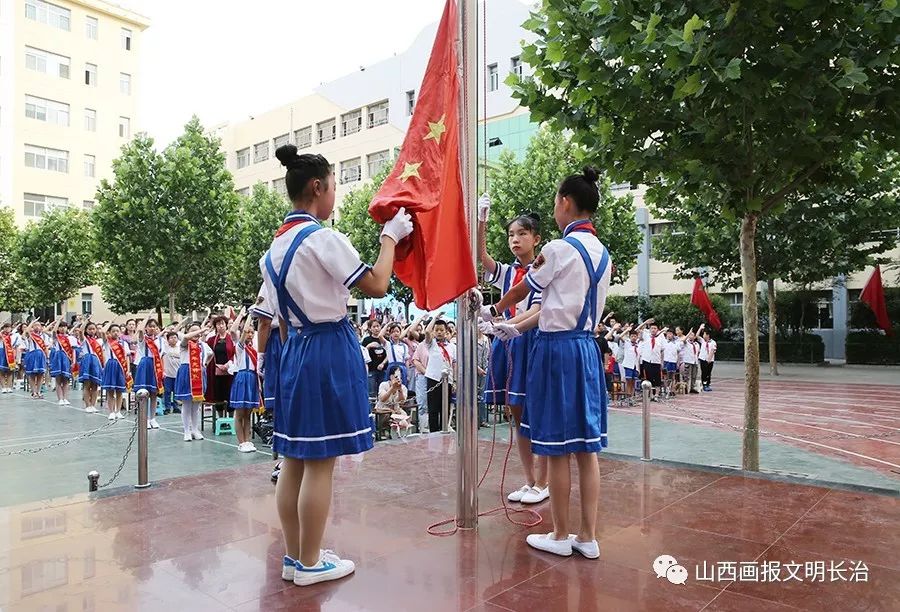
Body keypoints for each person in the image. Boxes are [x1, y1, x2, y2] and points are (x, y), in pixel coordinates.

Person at [263, 145, 411, 586]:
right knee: (321, 460)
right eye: (333, 186)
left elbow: (277, 321)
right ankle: (310, 562)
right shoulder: (324, 239)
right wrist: (391, 237)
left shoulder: (271, 250)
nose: (335, 196)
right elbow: (378, 283)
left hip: (296, 350)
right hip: (327, 347)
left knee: (293, 459)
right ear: (317, 187)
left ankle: (295, 557)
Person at [483, 166, 611, 560]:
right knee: (586, 450)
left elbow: (525, 286)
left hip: (556, 350)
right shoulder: (603, 252)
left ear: (565, 203)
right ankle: (587, 537)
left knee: (556, 447)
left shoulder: (556, 249)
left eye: (557, 200)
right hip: (587, 349)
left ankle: (558, 534)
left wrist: (496, 308)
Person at [477, 197, 549, 505]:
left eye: (521, 233)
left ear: (536, 238)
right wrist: (482, 220)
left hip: (531, 340)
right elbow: (482, 257)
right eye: (510, 235)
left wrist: (499, 325)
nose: (515, 240)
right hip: (508, 342)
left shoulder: (545, 267)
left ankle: (544, 482)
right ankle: (531, 481)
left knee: (539, 414)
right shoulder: (507, 272)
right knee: (517, 414)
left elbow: (538, 309)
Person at [174, 322, 214, 441]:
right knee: (187, 403)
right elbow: (186, 337)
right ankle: (186, 430)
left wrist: (205, 364)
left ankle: (195, 429)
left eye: (198, 330)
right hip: (187, 372)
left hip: (199, 374)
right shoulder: (185, 344)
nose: (196, 333)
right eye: (193, 330)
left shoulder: (203, 345)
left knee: (196, 405)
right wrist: (201, 331)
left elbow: (211, 354)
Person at [229, 309, 260, 453]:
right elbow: (239, 330)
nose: (250, 334)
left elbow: (257, 369)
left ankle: (248, 440)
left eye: (252, 332)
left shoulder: (254, 350)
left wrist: (258, 385)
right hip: (242, 378)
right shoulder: (240, 348)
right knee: (240, 413)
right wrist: (247, 315)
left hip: (252, 379)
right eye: (248, 332)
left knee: (248, 414)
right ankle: (241, 442)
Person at [422, 316, 456, 433]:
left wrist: (455, 380)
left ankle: (444, 430)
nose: (439, 332)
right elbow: (427, 331)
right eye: (437, 330)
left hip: (448, 380)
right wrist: (435, 318)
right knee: (433, 408)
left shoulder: (452, 347)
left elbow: (454, 364)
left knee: (445, 407)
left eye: (442, 330)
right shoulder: (431, 344)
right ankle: (434, 433)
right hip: (433, 379)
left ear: (446, 331)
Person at [134, 318, 164, 429]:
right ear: (146, 327)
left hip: (156, 367)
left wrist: (163, 370)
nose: (152, 328)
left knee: (154, 393)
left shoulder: (160, 340)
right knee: (143, 393)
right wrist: (148, 316)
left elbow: (162, 356)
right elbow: (140, 330)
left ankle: (152, 418)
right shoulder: (143, 338)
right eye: (150, 326)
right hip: (145, 365)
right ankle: (144, 419)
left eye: (154, 326)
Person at [206, 315, 235, 416]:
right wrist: (217, 365)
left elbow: (235, 353)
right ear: (215, 326)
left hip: (230, 371)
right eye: (218, 324)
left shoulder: (232, 339)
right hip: (216, 371)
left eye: (222, 323)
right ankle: (221, 419)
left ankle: (231, 419)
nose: (221, 326)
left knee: (230, 394)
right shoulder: (211, 340)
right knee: (218, 395)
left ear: (226, 325)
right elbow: (208, 354)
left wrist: (228, 363)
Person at [101, 323, 132, 420]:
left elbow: (127, 358)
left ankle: (118, 411)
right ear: (109, 333)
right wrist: (111, 322)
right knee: (110, 391)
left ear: (120, 332)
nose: (115, 333)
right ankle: (111, 411)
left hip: (121, 367)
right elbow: (102, 331)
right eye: (113, 331)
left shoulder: (124, 344)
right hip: (111, 365)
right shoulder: (107, 342)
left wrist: (128, 370)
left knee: (119, 391)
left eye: (117, 331)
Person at [375, 365, 412, 438]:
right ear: (391, 376)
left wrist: (400, 390)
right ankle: (384, 432)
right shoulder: (383, 385)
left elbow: (402, 402)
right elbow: (382, 399)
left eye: (399, 376)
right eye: (396, 376)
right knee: (387, 415)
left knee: (404, 415)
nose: (398, 378)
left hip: (396, 410)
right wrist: (392, 388)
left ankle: (404, 435)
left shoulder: (403, 387)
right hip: (383, 410)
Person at [49, 319, 79, 406]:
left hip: (67, 358)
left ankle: (65, 398)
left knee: (66, 379)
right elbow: (54, 331)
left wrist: (73, 361)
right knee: (58, 379)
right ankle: (60, 398)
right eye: (61, 327)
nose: (62, 328)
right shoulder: (56, 337)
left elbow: (73, 351)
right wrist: (58, 321)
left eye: (64, 326)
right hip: (58, 357)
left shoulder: (71, 338)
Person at [79, 320, 105, 413]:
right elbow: (80, 331)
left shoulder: (99, 341)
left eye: (94, 329)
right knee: (87, 384)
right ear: (86, 330)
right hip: (87, 361)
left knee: (95, 385)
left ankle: (93, 405)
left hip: (96, 361)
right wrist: (85, 321)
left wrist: (103, 364)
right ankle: (87, 405)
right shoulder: (84, 339)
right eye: (89, 329)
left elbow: (102, 353)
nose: (92, 331)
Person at [22, 320, 50, 399]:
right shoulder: (31, 335)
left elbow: (46, 347)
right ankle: (33, 392)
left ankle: (38, 391)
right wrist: (32, 322)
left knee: (41, 374)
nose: (37, 327)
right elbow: (26, 332)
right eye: (35, 325)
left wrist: (47, 357)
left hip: (41, 355)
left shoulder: (44, 336)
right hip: (32, 354)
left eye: (39, 325)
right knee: (32, 374)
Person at [361, 319, 387, 396]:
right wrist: (369, 346)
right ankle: (371, 408)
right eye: (374, 326)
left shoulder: (384, 339)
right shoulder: (366, 340)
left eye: (378, 326)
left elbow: (388, 353)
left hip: (383, 369)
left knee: (383, 392)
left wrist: (383, 363)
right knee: (371, 392)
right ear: (370, 328)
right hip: (371, 370)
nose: (376, 328)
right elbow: (363, 354)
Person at [0, 322, 21, 393]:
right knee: (2, 371)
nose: (7, 329)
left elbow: (17, 347)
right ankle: (3, 387)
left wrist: (18, 358)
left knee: (10, 371)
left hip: (11, 354)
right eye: (5, 327)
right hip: (2, 353)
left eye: (8, 327)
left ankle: (9, 386)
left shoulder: (14, 336)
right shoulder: (1, 335)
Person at [698, 324, 717, 391]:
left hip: (710, 360)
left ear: (708, 335)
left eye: (704, 334)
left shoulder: (713, 342)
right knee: (704, 372)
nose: (703, 335)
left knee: (708, 372)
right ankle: (704, 384)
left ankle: (708, 384)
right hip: (702, 359)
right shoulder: (702, 341)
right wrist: (700, 328)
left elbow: (713, 350)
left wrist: (709, 359)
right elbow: (697, 336)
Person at [681, 329, 700, 393]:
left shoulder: (696, 344)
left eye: (692, 335)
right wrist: (689, 333)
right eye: (690, 335)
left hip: (695, 361)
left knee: (694, 375)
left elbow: (698, 352)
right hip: (688, 361)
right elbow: (683, 340)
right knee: (687, 376)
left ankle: (692, 387)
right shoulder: (686, 343)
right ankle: (686, 388)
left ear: (694, 337)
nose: (691, 336)